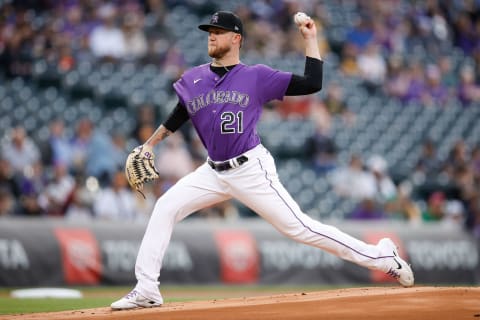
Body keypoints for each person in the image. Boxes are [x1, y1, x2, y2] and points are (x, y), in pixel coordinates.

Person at [111, 11, 414, 310]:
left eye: (218, 31)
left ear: (236, 38)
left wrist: (310, 39)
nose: (212, 35)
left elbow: (312, 83)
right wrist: (150, 144)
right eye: (209, 31)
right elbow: (180, 113)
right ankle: (147, 289)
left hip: (250, 170)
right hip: (211, 171)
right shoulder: (194, 78)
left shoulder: (256, 76)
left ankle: (382, 258)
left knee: (300, 229)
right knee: (165, 207)